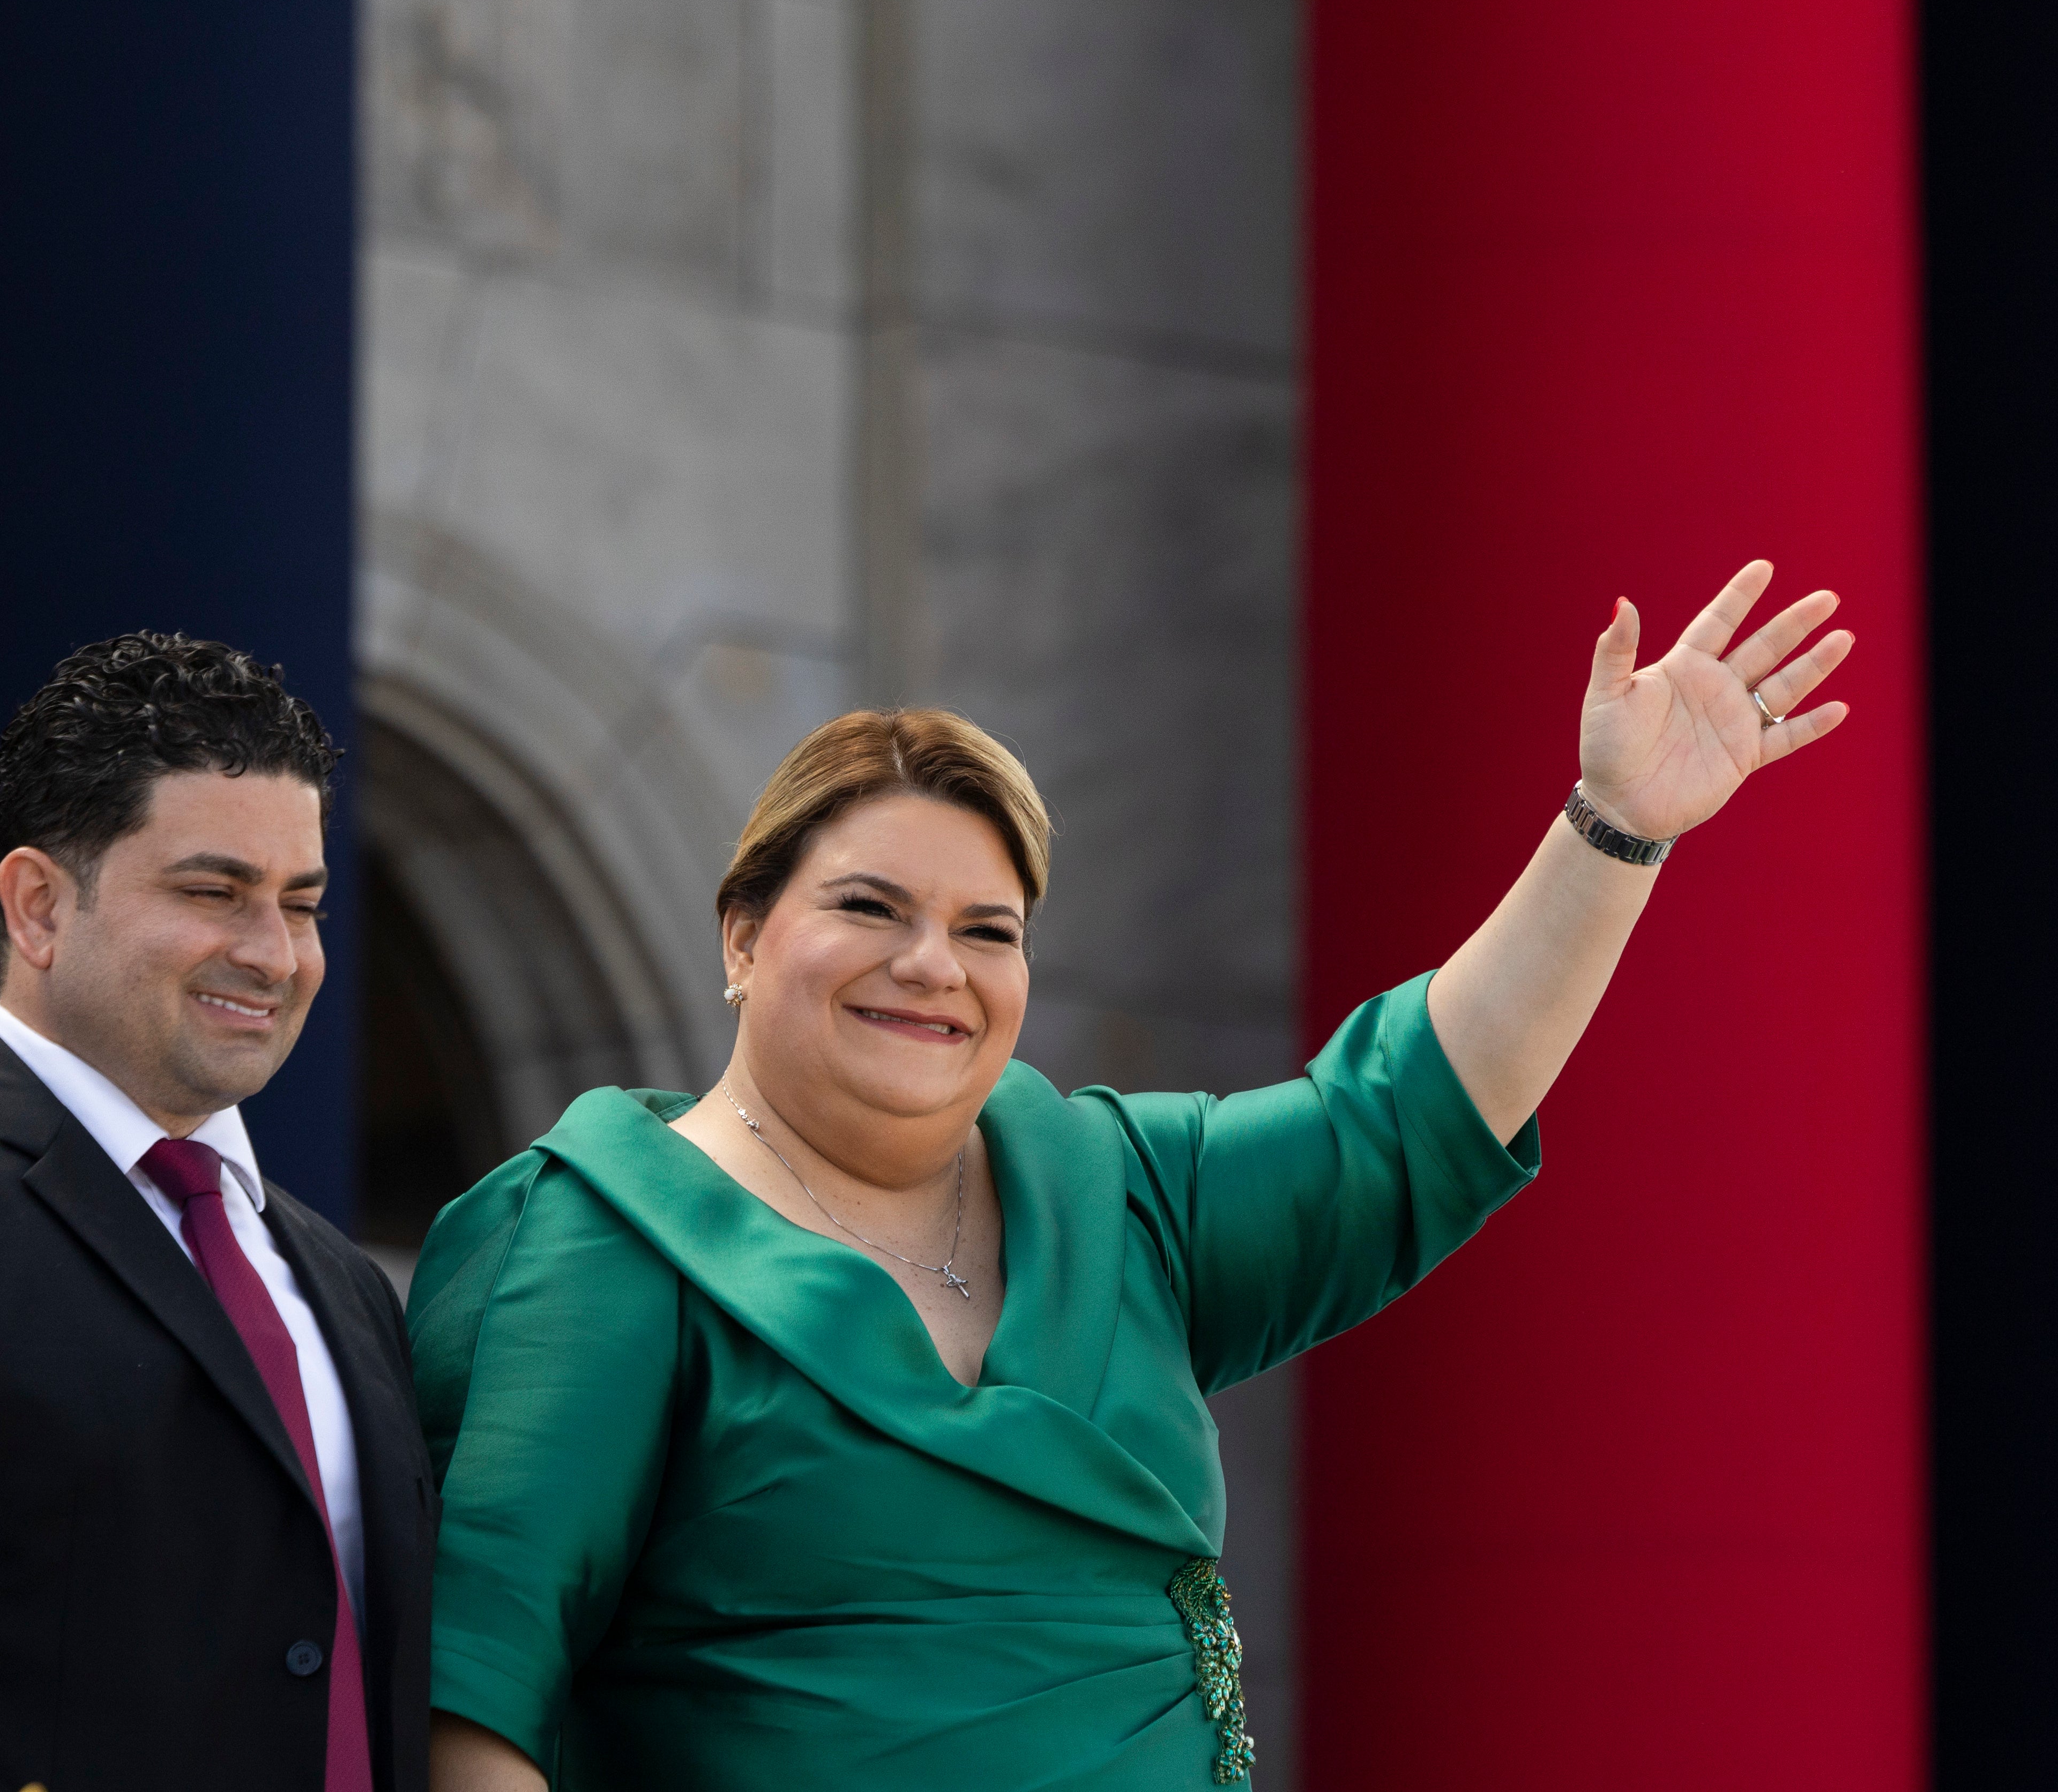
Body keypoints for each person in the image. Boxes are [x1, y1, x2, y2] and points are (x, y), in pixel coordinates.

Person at [415, 561, 1854, 1790]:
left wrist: (1613, 830)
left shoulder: (1112, 1185)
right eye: (870, 907)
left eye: (989, 928)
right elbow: (477, 1691)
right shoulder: (603, 1233)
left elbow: (1405, 1113)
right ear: (742, 933)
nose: (935, 966)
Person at [0, 633, 434, 1792]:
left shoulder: (347, 1285)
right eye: (214, 891)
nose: (273, 952)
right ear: (36, 905)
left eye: (302, 903)